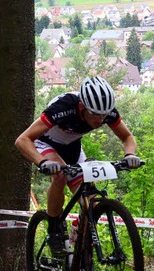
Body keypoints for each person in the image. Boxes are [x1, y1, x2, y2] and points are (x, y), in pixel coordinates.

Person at [15, 76, 142, 256]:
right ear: (82, 108)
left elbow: (127, 137)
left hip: (72, 148)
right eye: (95, 115)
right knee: (59, 176)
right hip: (45, 144)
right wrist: (42, 162)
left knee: (88, 202)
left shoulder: (105, 110)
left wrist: (130, 155)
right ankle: (54, 230)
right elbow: (22, 140)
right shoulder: (63, 108)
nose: (100, 120)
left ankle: (79, 237)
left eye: (104, 115)